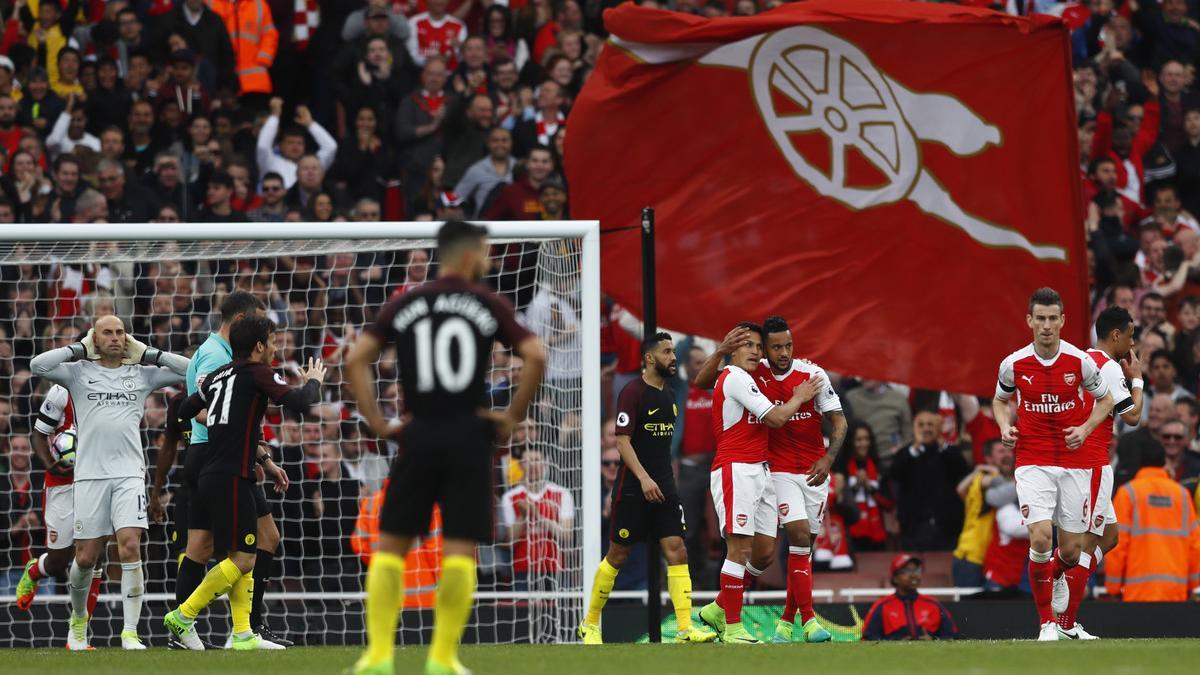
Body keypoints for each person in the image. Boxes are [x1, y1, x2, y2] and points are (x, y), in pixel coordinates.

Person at [345, 220, 547, 675]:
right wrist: (511, 417)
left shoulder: (408, 300)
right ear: (472, 252)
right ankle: (442, 659)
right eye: (487, 251)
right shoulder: (487, 301)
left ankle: (377, 657)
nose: (490, 259)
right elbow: (535, 355)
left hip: (418, 433)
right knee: (460, 549)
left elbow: (358, 359)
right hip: (469, 435)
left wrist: (379, 422)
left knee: (391, 546)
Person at [29, 315, 190, 650]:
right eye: (107, 333)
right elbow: (37, 365)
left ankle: (130, 632)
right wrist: (79, 349)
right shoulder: (77, 373)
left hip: (129, 474)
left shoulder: (140, 375)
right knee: (86, 558)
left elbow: (192, 370)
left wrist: (148, 353)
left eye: (120, 332)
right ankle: (77, 625)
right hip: (88, 477)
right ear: (95, 339)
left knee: (130, 545)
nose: (115, 338)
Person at [163, 316, 322, 650]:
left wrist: (216, 419)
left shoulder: (218, 376)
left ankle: (242, 633)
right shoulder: (257, 372)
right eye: (274, 342)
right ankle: (183, 615)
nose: (276, 348)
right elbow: (300, 402)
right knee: (244, 558)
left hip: (216, 471)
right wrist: (313, 382)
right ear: (259, 346)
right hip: (230, 476)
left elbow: (183, 409)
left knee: (243, 549)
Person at [692, 316, 844, 643]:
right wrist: (798, 396)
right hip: (747, 468)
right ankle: (742, 626)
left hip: (768, 470)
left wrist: (829, 457)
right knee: (755, 545)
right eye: (759, 346)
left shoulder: (799, 374)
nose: (777, 352)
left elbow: (838, 421)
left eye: (761, 346)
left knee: (764, 553)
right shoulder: (738, 374)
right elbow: (773, 417)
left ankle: (725, 610)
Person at [153, 290, 288, 649]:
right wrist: (260, 455)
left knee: (200, 547)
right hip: (220, 456)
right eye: (260, 323)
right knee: (257, 543)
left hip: (211, 455)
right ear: (243, 323)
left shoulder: (219, 353)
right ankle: (242, 629)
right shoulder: (216, 356)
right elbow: (213, 411)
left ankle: (229, 631)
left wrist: (263, 458)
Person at [992, 287, 1115, 641]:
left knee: (1073, 550)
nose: (1046, 326)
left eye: (1052, 319)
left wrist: (1086, 427)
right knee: (1041, 536)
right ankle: (1047, 623)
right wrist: (1004, 426)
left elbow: (1104, 401)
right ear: (1029, 321)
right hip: (1032, 459)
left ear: (1063, 321)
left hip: (1074, 461)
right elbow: (1000, 402)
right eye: (1040, 319)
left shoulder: (1080, 361)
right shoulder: (1013, 363)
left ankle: (1058, 573)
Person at [577, 333, 716, 645]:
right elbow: (622, 441)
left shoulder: (669, 395)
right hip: (633, 488)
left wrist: (660, 479)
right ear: (650, 358)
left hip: (665, 486)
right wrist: (643, 478)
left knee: (677, 551)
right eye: (666, 352)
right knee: (618, 555)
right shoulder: (632, 392)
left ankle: (684, 629)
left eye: (672, 350)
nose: (672, 357)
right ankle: (590, 623)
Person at [1057, 306, 1146, 638]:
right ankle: (1063, 619)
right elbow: (1133, 416)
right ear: (1116, 335)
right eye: (1131, 335)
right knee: (1086, 542)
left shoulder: (1082, 359)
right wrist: (1136, 377)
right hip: (1092, 463)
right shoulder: (1108, 368)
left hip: (1083, 460)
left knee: (1109, 537)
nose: (1132, 343)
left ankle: (1062, 602)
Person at [13, 386, 101, 619]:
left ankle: (80, 630)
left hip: (96, 481)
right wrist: (51, 464)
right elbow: (38, 435)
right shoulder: (62, 391)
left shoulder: (109, 386)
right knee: (58, 562)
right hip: (60, 484)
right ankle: (34, 570)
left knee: (93, 556)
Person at [1105, 439, 1200, 601]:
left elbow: (1117, 545)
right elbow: (1195, 546)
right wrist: (1193, 586)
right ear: (1163, 461)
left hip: (1136, 595)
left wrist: (1112, 587)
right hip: (1176, 594)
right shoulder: (1182, 495)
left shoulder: (1128, 494)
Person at [862, 554, 959, 641]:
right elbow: (868, 638)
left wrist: (933, 641)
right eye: (907, 571)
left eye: (917, 570)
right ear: (895, 578)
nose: (914, 575)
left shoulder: (933, 604)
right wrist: (894, 643)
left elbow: (952, 636)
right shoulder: (882, 606)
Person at [256, 97, 338, 189]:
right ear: (280, 146)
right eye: (290, 143)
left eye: (299, 143)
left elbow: (331, 147)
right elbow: (262, 147)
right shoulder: (271, 163)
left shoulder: (312, 163)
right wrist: (274, 117)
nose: (295, 147)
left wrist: (310, 124)